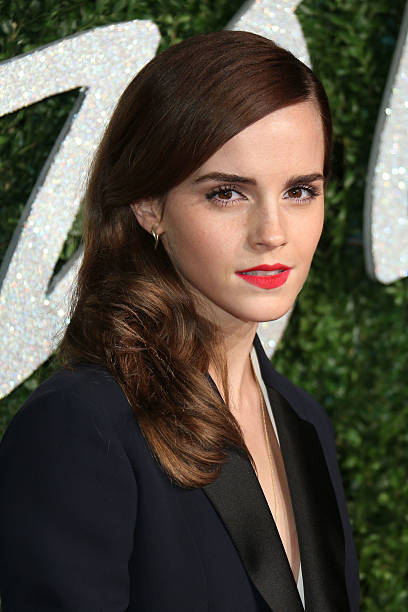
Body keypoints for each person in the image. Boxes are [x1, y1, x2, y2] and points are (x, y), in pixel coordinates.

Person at [0, 30, 359, 611]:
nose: (272, 233)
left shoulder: (305, 421)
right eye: (227, 193)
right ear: (149, 206)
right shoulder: (81, 428)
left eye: (299, 191)